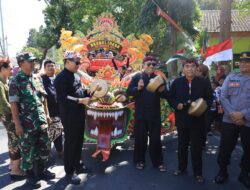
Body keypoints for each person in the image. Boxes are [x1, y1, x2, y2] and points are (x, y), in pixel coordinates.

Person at [9, 52, 55, 188]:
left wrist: (47, 115)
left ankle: (42, 171)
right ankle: (31, 177)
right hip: (26, 124)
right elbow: (13, 105)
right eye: (30, 61)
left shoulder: (37, 78)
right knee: (28, 151)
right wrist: (17, 125)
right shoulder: (15, 81)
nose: (33, 63)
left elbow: (43, 97)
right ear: (21, 63)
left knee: (45, 147)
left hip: (41, 121)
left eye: (34, 61)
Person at [168, 58, 213, 183]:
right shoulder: (177, 82)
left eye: (192, 66)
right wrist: (176, 104)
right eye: (187, 66)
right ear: (183, 69)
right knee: (182, 146)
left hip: (197, 120)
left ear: (196, 68)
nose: (189, 69)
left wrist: (201, 107)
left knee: (196, 148)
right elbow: (170, 97)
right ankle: (181, 168)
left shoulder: (203, 82)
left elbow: (210, 99)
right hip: (182, 119)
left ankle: (198, 173)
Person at [214, 52, 250, 189]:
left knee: (249, 150)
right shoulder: (231, 77)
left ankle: (244, 173)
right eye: (241, 61)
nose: (244, 64)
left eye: (247, 61)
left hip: (248, 121)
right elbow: (223, 96)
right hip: (229, 120)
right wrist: (233, 115)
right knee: (225, 148)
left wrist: (243, 115)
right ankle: (223, 171)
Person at [54, 51, 91, 185]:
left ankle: (78, 165)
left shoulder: (75, 76)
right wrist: (81, 101)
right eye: (76, 62)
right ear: (67, 61)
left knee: (79, 141)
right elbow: (63, 98)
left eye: (79, 62)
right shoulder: (61, 78)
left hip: (79, 114)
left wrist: (90, 91)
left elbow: (79, 92)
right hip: (69, 116)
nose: (78, 64)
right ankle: (70, 171)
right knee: (71, 143)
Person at [127, 55, 168, 172]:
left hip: (154, 114)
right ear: (143, 66)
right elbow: (129, 92)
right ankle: (139, 160)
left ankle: (158, 162)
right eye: (148, 64)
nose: (151, 66)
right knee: (140, 139)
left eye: (153, 64)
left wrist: (162, 90)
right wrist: (138, 88)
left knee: (156, 139)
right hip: (141, 114)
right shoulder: (137, 77)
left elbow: (166, 94)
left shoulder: (159, 78)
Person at [0, 57, 25, 180]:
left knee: (12, 140)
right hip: (9, 117)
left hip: (9, 116)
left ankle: (12, 164)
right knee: (14, 142)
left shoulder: (5, 81)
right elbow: (5, 105)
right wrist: (18, 111)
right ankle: (15, 170)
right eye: (10, 68)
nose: (12, 70)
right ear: (3, 69)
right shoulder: (0, 83)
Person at [41, 59, 63, 158]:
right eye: (48, 66)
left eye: (52, 66)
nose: (50, 68)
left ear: (55, 68)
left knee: (58, 132)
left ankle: (59, 151)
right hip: (47, 112)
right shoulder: (41, 80)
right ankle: (46, 154)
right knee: (47, 134)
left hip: (59, 111)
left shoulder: (59, 79)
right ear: (44, 68)